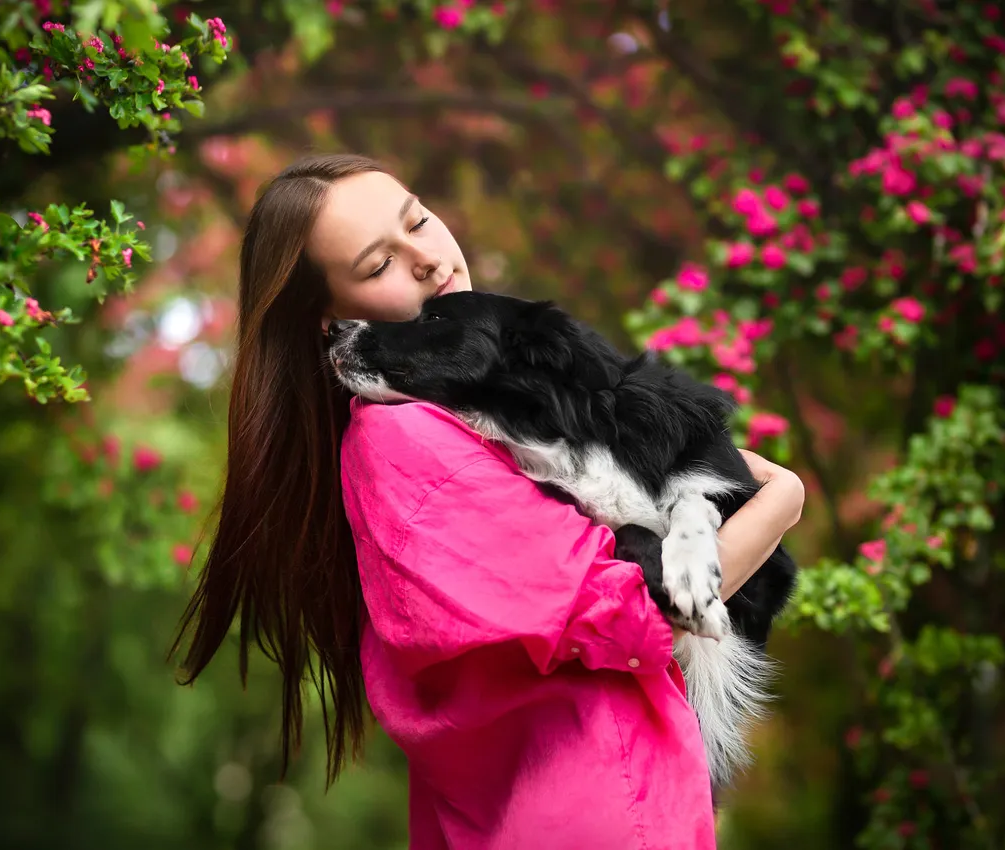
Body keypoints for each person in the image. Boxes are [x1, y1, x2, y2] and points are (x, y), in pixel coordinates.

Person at [172, 153, 806, 849]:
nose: (426, 257)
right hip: (594, 809)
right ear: (330, 322)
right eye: (378, 264)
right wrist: (780, 502)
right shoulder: (404, 435)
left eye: (417, 219)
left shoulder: (467, 415)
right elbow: (628, 608)